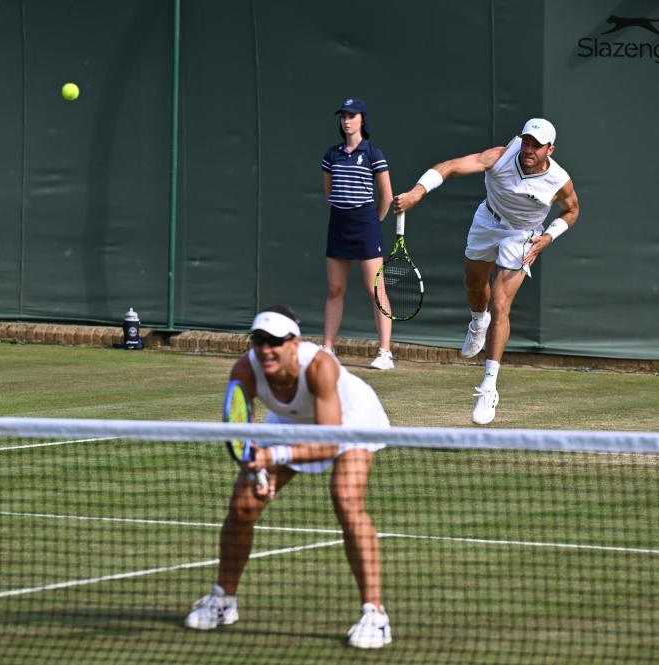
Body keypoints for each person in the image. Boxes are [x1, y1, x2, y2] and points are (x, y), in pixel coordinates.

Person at [184, 305, 393, 649]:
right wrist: (255, 467)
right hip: (289, 424)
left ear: (294, 342)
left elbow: (329, 443)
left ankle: (375, 614)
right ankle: (223, 600)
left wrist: (272, 456)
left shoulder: (320, 367)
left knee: (345, 499)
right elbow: (243, 432)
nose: (266, 349)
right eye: (258, 341)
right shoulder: (245, 369)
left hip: (349, 421)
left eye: (275, 341)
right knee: (242, 505)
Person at [392, 118, 580, 425]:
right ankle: (478, 321)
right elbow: (450, 167)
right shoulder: (500, 156)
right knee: (474, 284)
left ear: (550, 149)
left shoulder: (559, 180)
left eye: (536, 145)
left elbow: (572, 210)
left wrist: (548, 237)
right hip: (487, 221)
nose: (528, 149)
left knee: (501, 304)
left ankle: (488, 387)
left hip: (523, 234)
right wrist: (417, 192)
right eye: (526, 142)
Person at [321, 97, 395, 370]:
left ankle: (385, 352)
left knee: (376, 289)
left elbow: (387, 196)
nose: (346, 120)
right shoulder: (332, 155)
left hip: (366, 225)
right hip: (339, 224)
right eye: (343, 116)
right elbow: (329, 192)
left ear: (362, 120)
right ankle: (327, 349)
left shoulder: (374, 154)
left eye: (352, 116)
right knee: (335, 289)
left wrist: (374, 221)